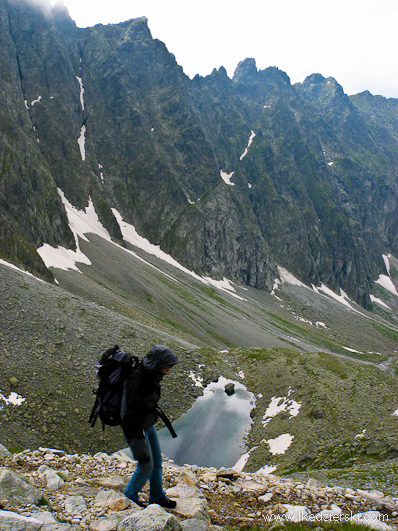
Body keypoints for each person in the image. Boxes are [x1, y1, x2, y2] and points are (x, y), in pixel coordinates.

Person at [121, 344, 179, 508]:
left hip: (147, 424)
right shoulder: (138, 378)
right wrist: (137, 436)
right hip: (136, 427)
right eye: (167, 367)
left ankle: (157, 496)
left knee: (157, 462)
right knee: (146, 465)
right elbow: (128, 412)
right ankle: (129, 497)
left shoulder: (151, 374)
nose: (168, 370)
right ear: (158, 364)